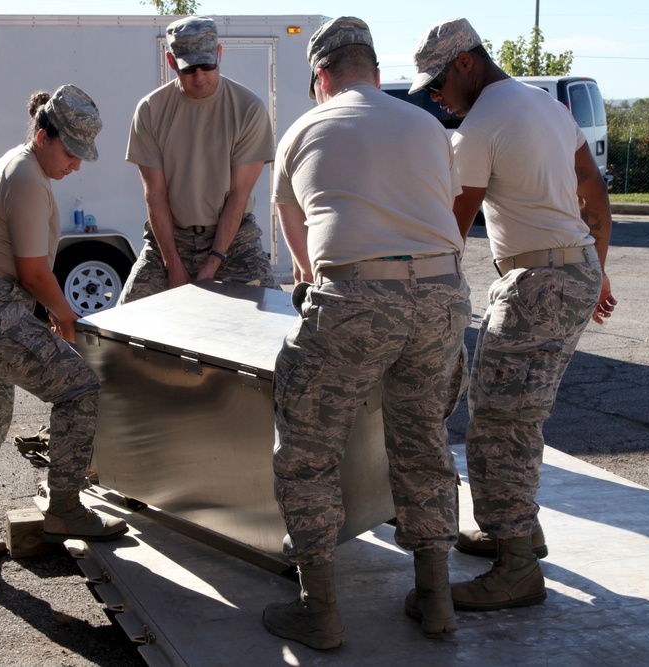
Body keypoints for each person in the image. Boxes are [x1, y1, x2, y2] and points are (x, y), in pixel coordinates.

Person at [262, 16, 472, 649]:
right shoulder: (428, 125)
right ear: (376, 74)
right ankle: (436, 598)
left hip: (356, 295)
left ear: (320, 77)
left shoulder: (304, 127)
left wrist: (310, 283)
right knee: (423, 439)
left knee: (306, 447)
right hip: (443, 296)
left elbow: (296, 236)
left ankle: (318, 609)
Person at [412, 18, 617, 611]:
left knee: (500, 420)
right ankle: (520, 530)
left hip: (537, 282)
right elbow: (592, 189)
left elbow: (452, 227)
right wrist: (594, 265)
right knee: (518, 412)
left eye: (438, 83)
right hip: (571, 269)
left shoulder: (479, 127)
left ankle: (517, 567)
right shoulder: (545, 106)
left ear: (466, 64)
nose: (434, 96)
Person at [0, 85, 126, 562]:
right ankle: (64, 509)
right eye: (72, 151)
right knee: (78, 387)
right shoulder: (26, 175)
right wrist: (66, 318)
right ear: (44, 135)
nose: (77, 163)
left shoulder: (22, 167)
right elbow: (35, 272)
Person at [118, 15, 279, 305]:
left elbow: (239, 194)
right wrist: (174, 267)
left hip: (233, 238)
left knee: (273, 322)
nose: (200, 76)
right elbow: (155, 195)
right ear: (171, 62)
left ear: (220, 54)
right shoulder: (151, 110)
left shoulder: (248, 108)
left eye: (208, 66)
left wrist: (212, 265)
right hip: (170, 238)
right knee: (121, 324)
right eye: (189, 68)